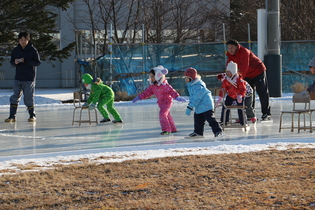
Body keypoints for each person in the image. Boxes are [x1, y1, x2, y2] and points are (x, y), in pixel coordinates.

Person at [132, 65, 186, 135]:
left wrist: (177, 97)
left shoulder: (165, 85)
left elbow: (172, 91)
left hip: (167, 102)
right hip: (160, 103)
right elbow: (146, 93)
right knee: (167, 115)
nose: (151, 78)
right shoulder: (153, 86)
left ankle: (166, 130)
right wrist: (138, 98)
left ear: (158, 76)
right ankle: (173, 129)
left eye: (152, 76)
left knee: (162, 114)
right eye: (150, 76)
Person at [226, 39, 271, 121]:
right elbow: (229, 67)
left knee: (262, 92)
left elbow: (244, 66)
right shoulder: (230, 55)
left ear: (237, 47)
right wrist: (229, 79)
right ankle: (250, 114)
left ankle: (266, 113)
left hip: (257, 71)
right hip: (247, 74)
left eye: (232, 47)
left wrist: (239, 79)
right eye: (228, 48)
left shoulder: (244, 52)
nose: (230, 50)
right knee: (248, 94)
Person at [5, 31, 41, 122]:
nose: (23, 41)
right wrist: (15, 62)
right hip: (18, 77)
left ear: (28, 40)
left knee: (28, 97)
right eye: (21, 40)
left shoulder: (33, 50)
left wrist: (26, 61)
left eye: (24, 40)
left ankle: (32, 115)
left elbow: (37, 62)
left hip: (29, 78)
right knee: (14, 96)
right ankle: (12, 116)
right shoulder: (16, 50)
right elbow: (12, 62)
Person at [184, 67, 224, 139]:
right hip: (199, 106)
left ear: (191, 78)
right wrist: (190, 104)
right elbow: (192, 97)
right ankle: (198, 132)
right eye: (185, 78)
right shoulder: (191, 85)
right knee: (198, 119)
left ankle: (218, 131)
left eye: (187, 78)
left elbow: (197, 98)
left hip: (206, 105)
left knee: (210, 119)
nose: (185, 80)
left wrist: (190, 107)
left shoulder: (198, 86)